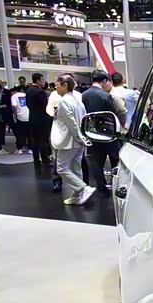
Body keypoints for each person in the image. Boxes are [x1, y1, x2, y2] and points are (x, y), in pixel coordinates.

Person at [51, 74, 96, 206]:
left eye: (57, 85)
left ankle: (83, 188)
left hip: (69, 141)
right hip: (78, 140)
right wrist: (82, 138)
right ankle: (77, 196)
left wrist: (79, 137)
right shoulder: (77, 101)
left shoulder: (64, 101)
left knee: (61, 168)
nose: (55, 88)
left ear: (64, 85)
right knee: (76, 169)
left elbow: (72, 124)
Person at [82, 70, 120, 195]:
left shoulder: (83, 96)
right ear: (104, 81)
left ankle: (102, 188)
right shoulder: (105, 95)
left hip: (91, 132)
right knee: (115, 159)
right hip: (108, 132)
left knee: (97, 162)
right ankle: (115, 185)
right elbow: (114, 114)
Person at [26, 73, 52, 167]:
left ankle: (36, 159)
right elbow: (46, 105)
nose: (44, 81)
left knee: (35, 140)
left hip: (32, 118)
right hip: (42, 119)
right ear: (38, 81)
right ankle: (45, 159)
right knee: (43, 140)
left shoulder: (28, 90)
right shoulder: (40, 92)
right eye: (43, 79)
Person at [10, 84, 30, 154]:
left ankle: (19, 149)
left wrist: (15, 116)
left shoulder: (14, 96)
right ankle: (30, 148)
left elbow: (14, 106)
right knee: (29, 134)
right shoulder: (27, 95)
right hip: (29, 116)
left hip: (20, 116)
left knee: (20, 134)